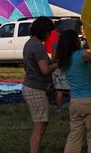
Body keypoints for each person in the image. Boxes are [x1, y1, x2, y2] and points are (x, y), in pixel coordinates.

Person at [22, 16, 57, 153]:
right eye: (49, 32)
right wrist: (58, 65)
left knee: (42, 123)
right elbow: (45, 70)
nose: (49, 36)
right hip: (35, 89)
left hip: (31, 86)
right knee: (39, 127)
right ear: (43, 31)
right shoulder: (38, 47)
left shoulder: (29, 43)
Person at [56, 29, 91, 152]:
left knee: (74, 136)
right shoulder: (80, 55)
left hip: (74, 102)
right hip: (88, 100)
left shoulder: (64, 59)